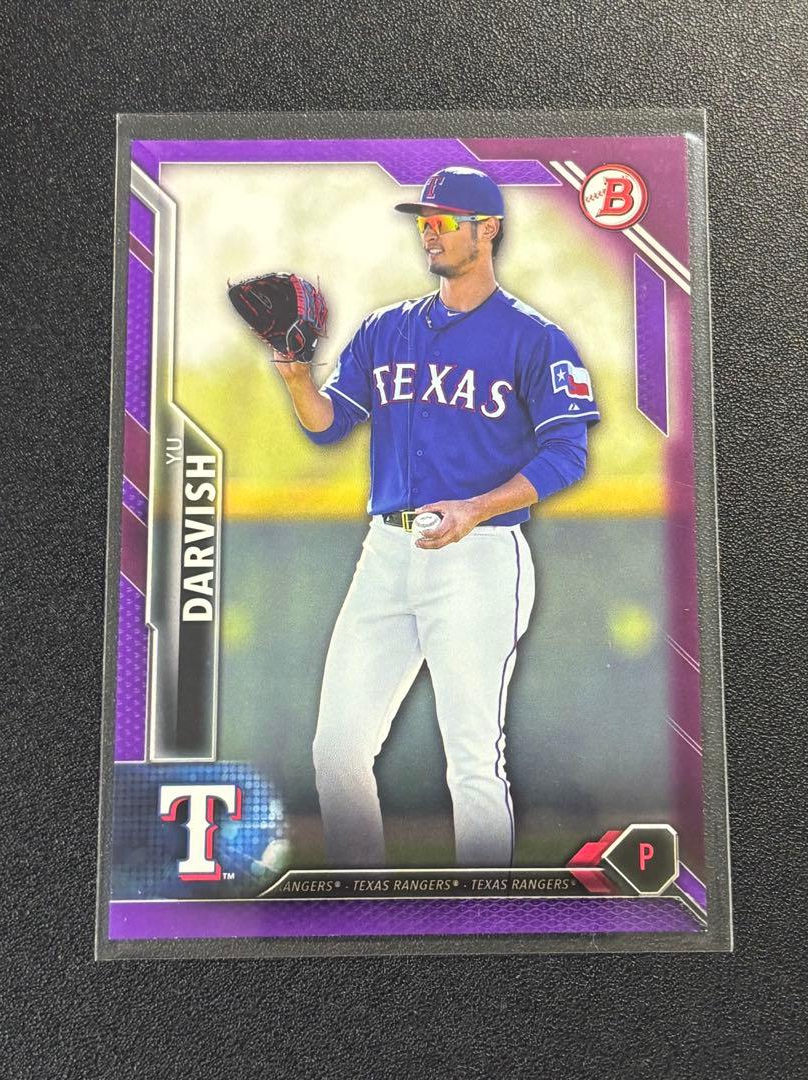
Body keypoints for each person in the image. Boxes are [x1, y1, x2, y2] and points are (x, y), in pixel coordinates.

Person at [272, 166, 600, 868]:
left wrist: (478, 507)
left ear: (489, 230)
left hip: (480, 556)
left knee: (472, 761)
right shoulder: (387, 329)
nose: (430, 231)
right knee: (337, 749)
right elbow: (330, 425)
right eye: (424, 220)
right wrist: (298, 379)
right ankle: (362, 901)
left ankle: (484, 910)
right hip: (387, 552)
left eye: (445, 220)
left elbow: (568, 455)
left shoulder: (534, 338)